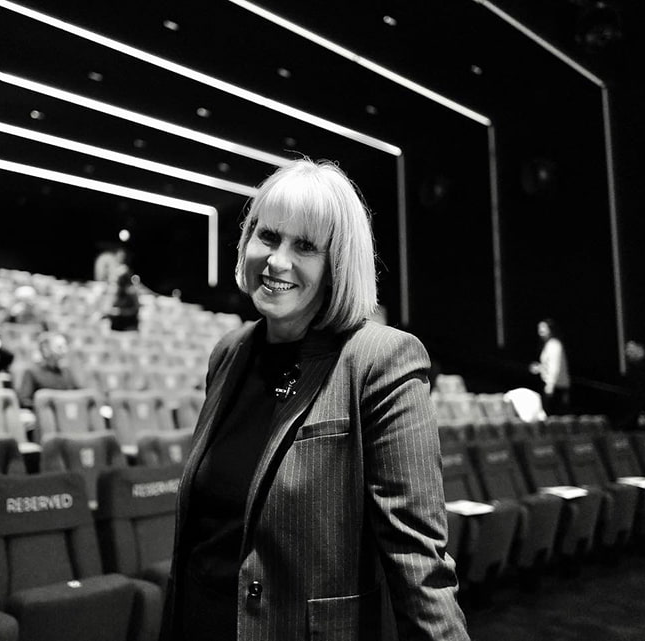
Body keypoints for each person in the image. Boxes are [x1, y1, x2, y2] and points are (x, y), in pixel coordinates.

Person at [161, 159, 468, 641]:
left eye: (304, 245)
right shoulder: (230, 353)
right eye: (268, 236)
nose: (278, 260)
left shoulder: (379, 360)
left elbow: (417, 563)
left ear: (337, 264)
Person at [17, 332, 85, 407]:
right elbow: (25, 401)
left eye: (65, 346)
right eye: (60, 347)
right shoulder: (32, 371)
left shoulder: (66, 371)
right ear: (46, 349)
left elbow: (79, 395)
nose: (65, 351)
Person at [529, 318, 571, 415]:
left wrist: (550, 386)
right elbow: (548, 365)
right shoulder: (548, 344)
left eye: (543, 328)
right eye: (539, 328)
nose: (540, 330)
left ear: (550, 329)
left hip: (556, 386)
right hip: (551, 385)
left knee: (553, 416)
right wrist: (539, 368)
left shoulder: (554, 345)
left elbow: (555, 367)